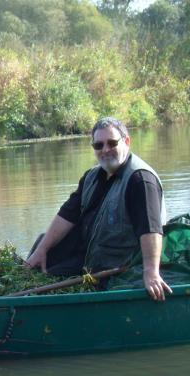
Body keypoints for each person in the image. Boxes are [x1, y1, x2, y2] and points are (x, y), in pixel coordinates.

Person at [25, 117, 172, 301]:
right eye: (99, 145)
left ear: (126, 141)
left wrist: (151, 272)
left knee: (46, 288)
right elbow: (67, 215)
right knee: (41, 247)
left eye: (112, 143)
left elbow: (150, 229)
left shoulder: (140, 180)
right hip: (88, 258)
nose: (105, 150)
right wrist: (42, 249)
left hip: (117, 266)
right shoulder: (91, 176)